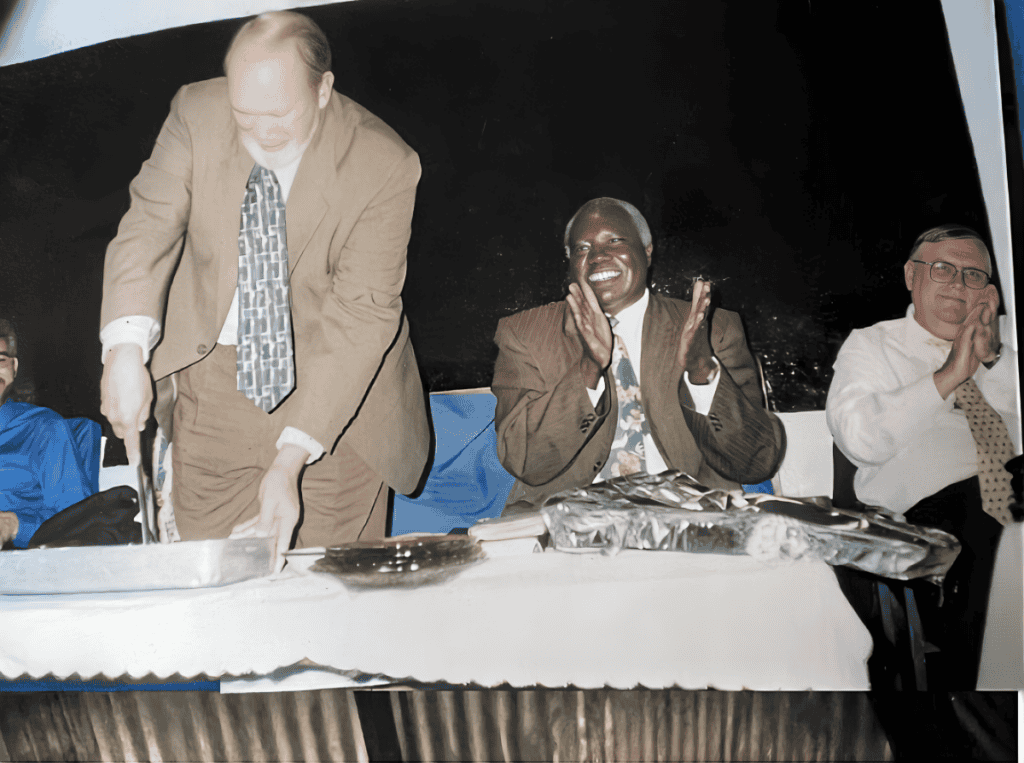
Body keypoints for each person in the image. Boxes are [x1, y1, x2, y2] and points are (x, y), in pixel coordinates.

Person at [99, 12, 430, 568]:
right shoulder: (195, 112)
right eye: (244, 115)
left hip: (339, 401)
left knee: (331, 588)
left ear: (323, 90)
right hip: (214, 394)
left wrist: (291, 460)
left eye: (280, 116)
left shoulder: (383, 163)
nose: (260, 135)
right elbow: (147, 226)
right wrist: (125, 350)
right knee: (217, 585)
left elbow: (363, 315)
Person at [491, 197, 785, 507]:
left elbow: (756, 463)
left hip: (688, 519)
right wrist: (589, 369)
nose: (597, 256)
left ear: (646, 251)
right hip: (566, 522)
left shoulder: (713, 329)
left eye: (614, 241)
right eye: (582, 248)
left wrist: (702, 371)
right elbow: (524, 462)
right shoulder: (524, 334)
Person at [826, 224, 1020, 689]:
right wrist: (950, 374)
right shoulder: (872, 345)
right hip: (929, 518)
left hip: (1015, 493)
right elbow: (860, 439)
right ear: (911, 277)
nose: (957, 283)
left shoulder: (1010, 357)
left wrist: (992, 361)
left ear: (989, 292)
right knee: (991, 540)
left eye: (973, 275)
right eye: (942, 269)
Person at [0, 319, 96, 547]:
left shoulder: (43, 429)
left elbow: (77, 521)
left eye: (0, 360)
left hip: (23, 566)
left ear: (13, 368)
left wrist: (15, 525)